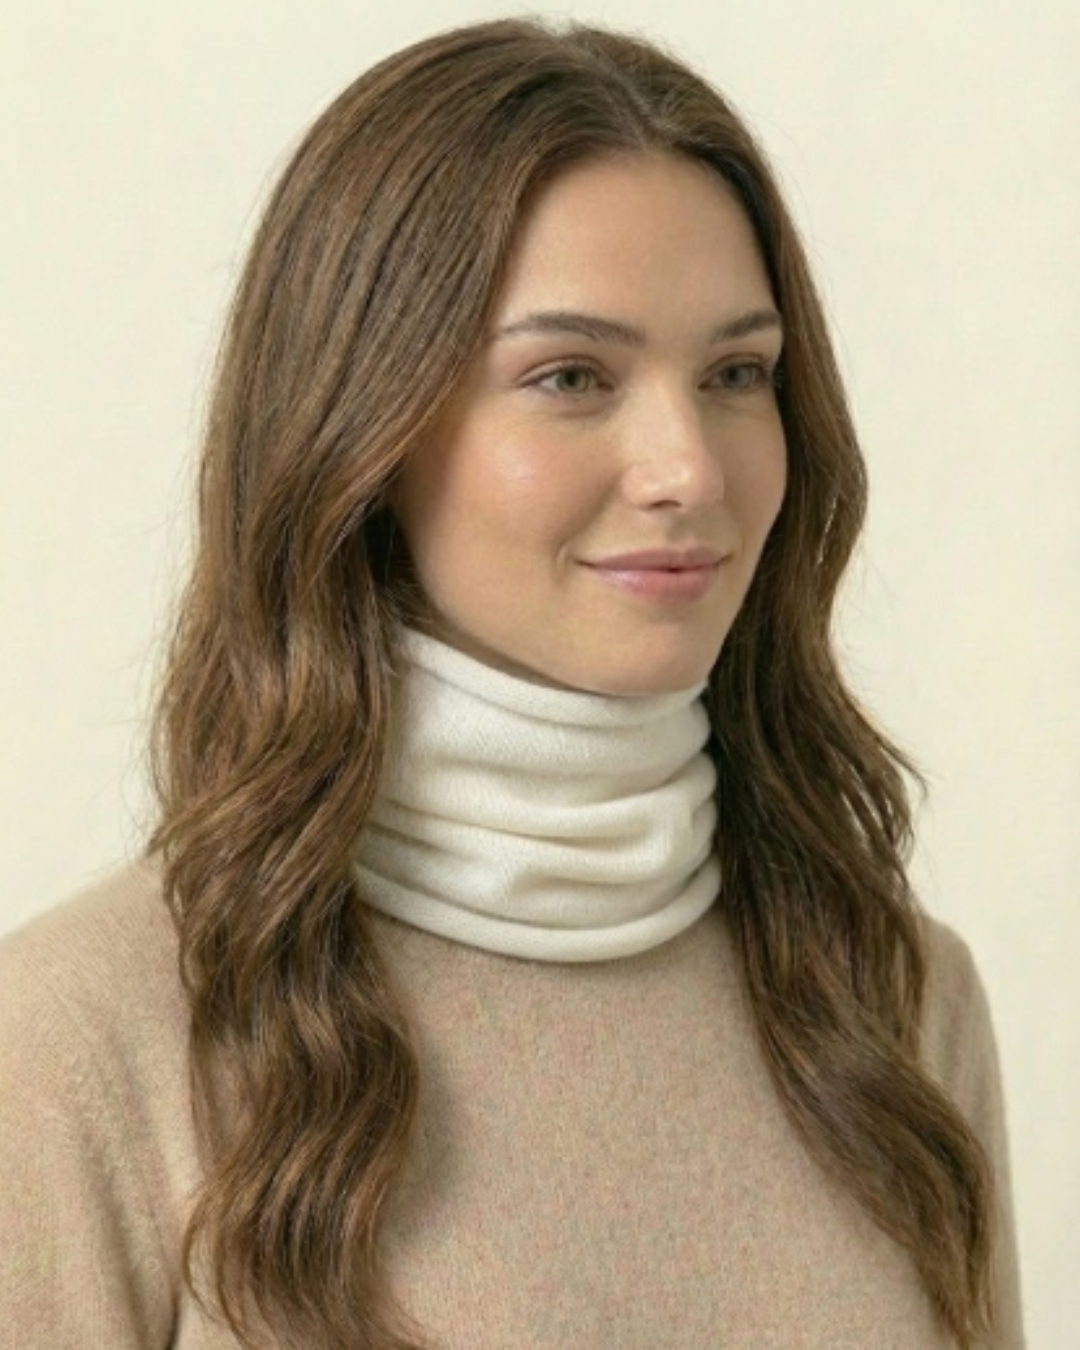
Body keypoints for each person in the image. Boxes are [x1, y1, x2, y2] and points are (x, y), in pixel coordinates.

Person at [0, 17, 1024, 1350]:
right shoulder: (79, 1043)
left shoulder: (897, 1002)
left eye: (737, 373)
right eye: (570, 376)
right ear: (364, 434)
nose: (688, 468)